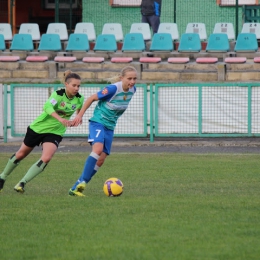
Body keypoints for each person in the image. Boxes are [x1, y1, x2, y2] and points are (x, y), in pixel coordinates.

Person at [0, 71, 84, 193]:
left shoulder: (79, 99)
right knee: (21, 154)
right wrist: (60, 118)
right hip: (38, 128)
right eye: (74, 85)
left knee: (47, 157)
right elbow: (47, 107)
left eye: (78, 86)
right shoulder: (58, 94)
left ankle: (21, 183)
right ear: (66, 84)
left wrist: (77, 118)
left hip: (55, 132)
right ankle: (2, 176)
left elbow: (79, 111)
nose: (76, 88)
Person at [69, 66, 137, 197]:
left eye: (134, 78)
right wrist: (79, 116)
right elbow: (91, 98)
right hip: (98, 122)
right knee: (97, 149)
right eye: (129, 78)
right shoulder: (112, 89)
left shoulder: (133, 90)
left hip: (110, 127)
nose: (132, 81)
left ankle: (76, 187)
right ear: (121, 78)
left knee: (101, 160)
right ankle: (82, 181)